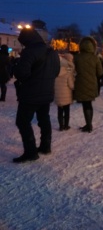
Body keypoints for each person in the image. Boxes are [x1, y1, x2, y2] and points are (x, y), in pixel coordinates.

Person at [13, 28, 60, 163]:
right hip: (47, 93)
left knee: (22, 121)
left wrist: (17, 68)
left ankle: (30, 151)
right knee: (44, 119)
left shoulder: (29, 52)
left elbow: (22, 73)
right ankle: (45, 146)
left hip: (31, 94)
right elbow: (56, 72)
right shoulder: (52, 51)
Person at [73, 37, 103, 133]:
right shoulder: (95, 58)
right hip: (92, 84)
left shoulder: (77, 57)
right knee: (89, 104)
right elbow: (100, 73)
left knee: (85, 104)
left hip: (80, 83)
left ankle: (88, 125)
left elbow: (73, 71)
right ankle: (89, 124)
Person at [54, 52, 75, 131]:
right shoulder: (68, 72)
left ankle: (61, 126)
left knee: (59, 111)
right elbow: (71, 85)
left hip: (58, 95)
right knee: (66, 111)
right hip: (66, 96)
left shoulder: (56, 71)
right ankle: (66, 125)